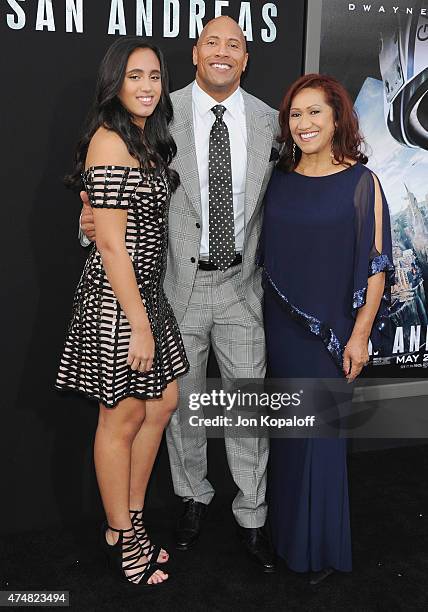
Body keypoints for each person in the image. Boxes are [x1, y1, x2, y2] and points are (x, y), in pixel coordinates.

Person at [80, 16, 279, 572]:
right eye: (212, 42)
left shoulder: (270, 122)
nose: (222, 52)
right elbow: (111, 195)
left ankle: (252, 515)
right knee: (179, 408)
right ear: (194, 53)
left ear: (245, 58)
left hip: (240, 289)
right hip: (172, 291)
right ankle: (192, 498)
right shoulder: (161, 110)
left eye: (233, 45)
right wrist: (88, 224)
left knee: (246, 410)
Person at [56, 37, 189, 586]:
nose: (147, 86)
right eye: (135, 76)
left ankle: (131, 518)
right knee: (123, 415)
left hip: (145, 293)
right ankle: (119, 534)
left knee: (160, 404)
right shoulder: (111, 142)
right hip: (119, 299)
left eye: (154, 76)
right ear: (115, 83)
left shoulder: (144, 139)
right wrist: (138, 324)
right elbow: (110, 245)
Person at [258, 74, 395, 584]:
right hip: (279, 325)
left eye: (315, 112)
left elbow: (376, 265)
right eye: (296, 114)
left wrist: (359, 335)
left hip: (333, 332)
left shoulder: (362, 182)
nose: (305, 123)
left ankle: (316, 550)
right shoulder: (279, 176)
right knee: (290, 438)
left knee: (319, 439)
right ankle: (287, 537)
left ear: (337, 117)